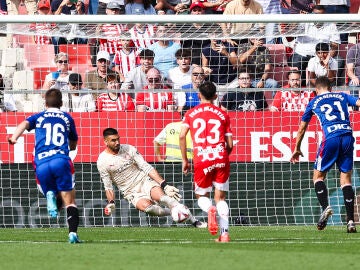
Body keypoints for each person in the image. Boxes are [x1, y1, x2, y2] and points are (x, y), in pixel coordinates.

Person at [8, 88, 81, 243]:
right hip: (60, 160)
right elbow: (73, 144)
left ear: (45, 103)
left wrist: (14, 137)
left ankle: (49, 193)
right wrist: (70, 145)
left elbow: (24, 123)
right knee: (70, 201)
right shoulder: (67, 117)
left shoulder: (39, 116)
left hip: (41, 162)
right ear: (61, 103)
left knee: (48, 186)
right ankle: (73, 234)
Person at [97, 127, 206, 228]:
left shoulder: (129, 149)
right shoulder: (102, 161)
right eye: (113, 140)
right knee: (149, 209)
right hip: (130, 191)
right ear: (105, 141)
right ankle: (176, 211)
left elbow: (146, 167)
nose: (117, 142)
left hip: (144, 181)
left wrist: (164, 185)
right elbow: (108, 186)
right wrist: (111, 202)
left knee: (163, 198)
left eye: (118, 139)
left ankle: (194, 221)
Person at [290, 76, 359, 233]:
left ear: (316, 90)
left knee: (318, 177)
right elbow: (358, 103)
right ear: (331, 88)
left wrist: (297, 148)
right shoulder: (342, 96)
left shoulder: (314, 101)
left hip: (331, 139)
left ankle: (325, 207)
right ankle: (350, 222)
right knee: (346, 181)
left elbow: (302, 128)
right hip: (348, 137)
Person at [179, 81, 233, 242]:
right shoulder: (223, 114)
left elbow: (182, 136)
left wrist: (185, 160)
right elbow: (230, 144)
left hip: (202, 158)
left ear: (198, 95)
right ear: (216, 96)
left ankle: (209, 209)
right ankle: (224, 234)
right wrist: (223, 154)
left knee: (201, 195)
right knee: (221, 198)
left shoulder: (190, 113)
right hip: (221, 156)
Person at [288, 5, 340, 86]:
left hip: (322, 54)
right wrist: (298, 20)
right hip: (302, 53)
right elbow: (291, 33)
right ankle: (300, 89)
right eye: (315, 14)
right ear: (311, 13)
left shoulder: (331, 25)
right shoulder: (304, 21)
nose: (318, 17)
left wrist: (328, 58)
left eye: (321, 15)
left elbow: (335, 46)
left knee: (338, 61)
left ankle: (328, 87)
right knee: (296, 61)